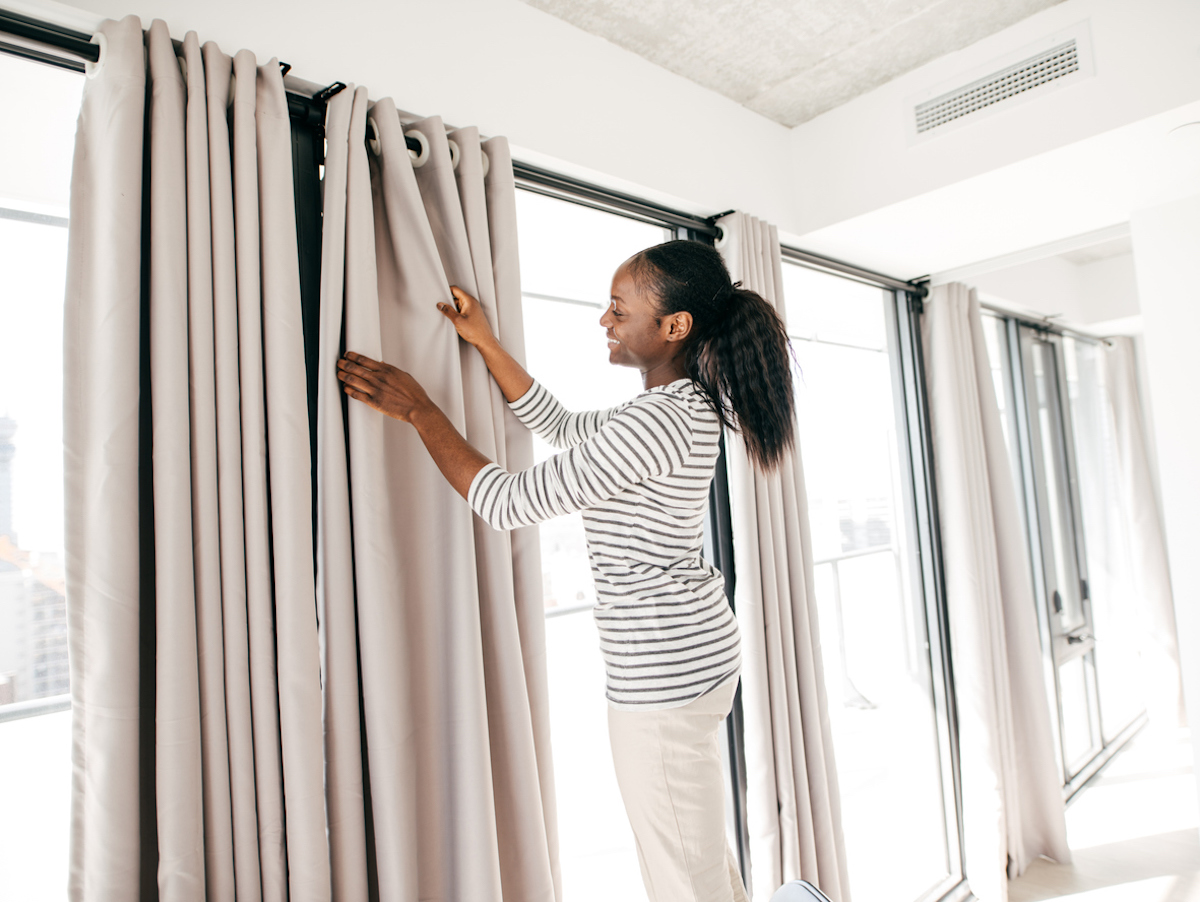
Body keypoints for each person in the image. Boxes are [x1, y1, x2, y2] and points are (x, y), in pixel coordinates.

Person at [336, 239, 795, 902]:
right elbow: (563, 425)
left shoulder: (658, 420)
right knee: (695, 857)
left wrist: (418, 410)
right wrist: (486, 343)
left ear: (674, 327)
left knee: (683, 882)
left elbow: (507, 501)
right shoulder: (678, 408)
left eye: (618, 309)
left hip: (661, 682)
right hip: (692, 659)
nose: (604, 321)